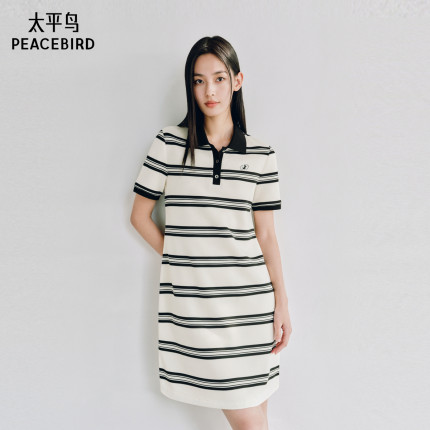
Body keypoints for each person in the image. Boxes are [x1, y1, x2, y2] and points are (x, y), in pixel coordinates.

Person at [130, 35, 292, 430]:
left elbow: (267, 237)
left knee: (257, 415)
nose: (209, 91)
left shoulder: (261, 154)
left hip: (251, 305)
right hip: (198, 309)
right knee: (251, 421)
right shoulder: (168, 144)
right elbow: (139, 216)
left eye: (219, 78)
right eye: (199, 81)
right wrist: (186, 262)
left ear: (237, 81)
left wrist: (282, 303)